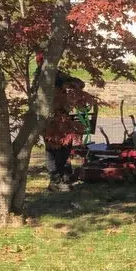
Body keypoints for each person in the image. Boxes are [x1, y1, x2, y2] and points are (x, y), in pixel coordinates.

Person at [35, 53, 86, 192]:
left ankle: (62, 175)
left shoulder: (58, 75)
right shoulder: (40, 78)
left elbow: (80, 83)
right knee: (53, 149)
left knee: (64, 147)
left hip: (62, 116)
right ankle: (55, 181)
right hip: (49, 118)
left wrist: (70, 85)